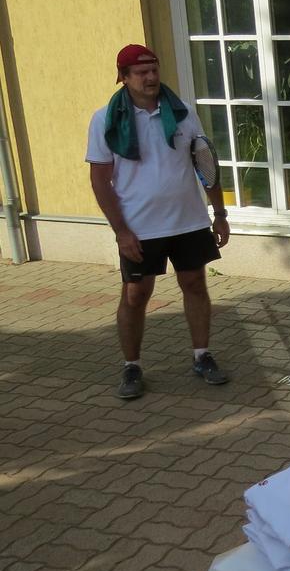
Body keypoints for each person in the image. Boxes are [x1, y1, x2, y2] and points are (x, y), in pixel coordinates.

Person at [86, 43, 231, 400]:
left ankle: (202, 356)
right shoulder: (104, 119)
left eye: (154, 69)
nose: (150, 77)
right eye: (141, 72)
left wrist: (219, 214)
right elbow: (100, 181)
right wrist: (121, 231)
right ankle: (131, 366)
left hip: (188, 220)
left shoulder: (183, 113)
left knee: (194, 283)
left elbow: (206, 165)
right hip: (139, 226)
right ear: (123, 77)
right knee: (136, 294)